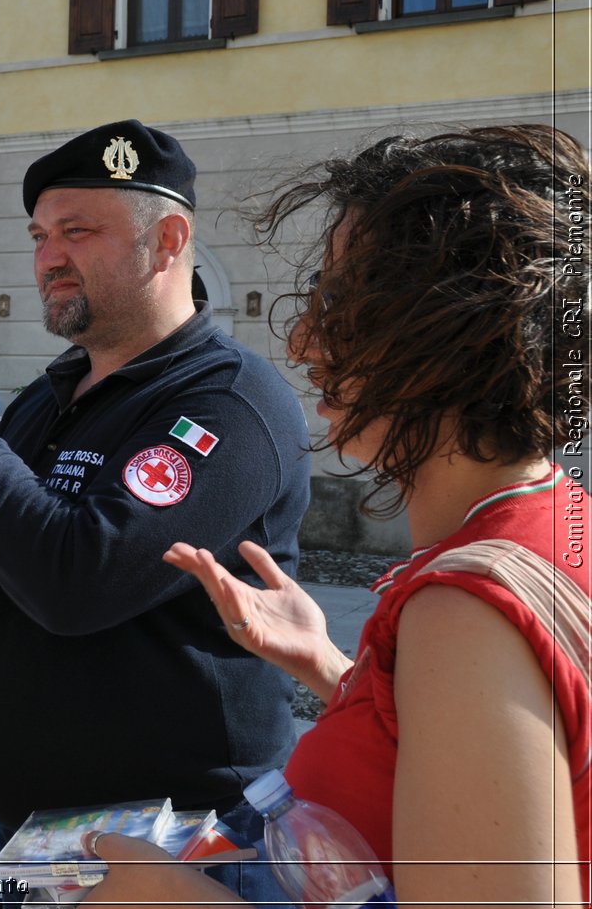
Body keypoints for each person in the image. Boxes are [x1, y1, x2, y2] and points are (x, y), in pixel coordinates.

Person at [85, 124, 590, 907]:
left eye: (342, 303)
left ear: (449, 337)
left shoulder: (466, 611)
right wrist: (330, 666)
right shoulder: (551, 512)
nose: (303, 338)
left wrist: (165, 894)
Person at [0, 120, 309, 883]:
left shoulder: (229, 403)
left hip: (182, 850)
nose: (49, 257)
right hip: (44, 847)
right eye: (40, 235)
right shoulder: (44, 403)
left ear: (169, 238)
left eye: (77, 231)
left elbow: (75, 580)